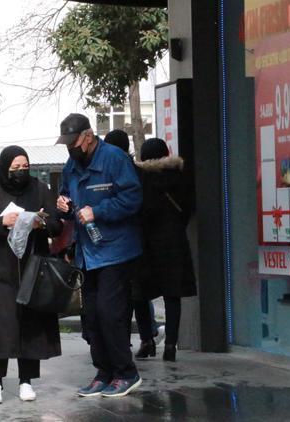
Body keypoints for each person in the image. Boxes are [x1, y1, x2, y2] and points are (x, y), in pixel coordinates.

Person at [55, 113, 143, 398]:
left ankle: (125, 373)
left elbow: (132, 198)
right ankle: (103, 372)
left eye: (74, 143)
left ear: (88, 137)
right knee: (91, 316)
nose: (71, 149)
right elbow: (66, 193)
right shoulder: (72, 164)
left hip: (115, 250)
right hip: (87, 252)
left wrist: (99, 211)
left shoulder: (115, 159)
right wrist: (64, 204)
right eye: (67, 144)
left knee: (110, 313)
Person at [0, 146, 63, 405]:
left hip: (33, 269)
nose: (21, 172)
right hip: (1, 270)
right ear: (4, 168)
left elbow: (56, 223)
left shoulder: (40, 188)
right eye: (15, 168)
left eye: (25, 167)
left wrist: (40, 223)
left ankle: (26, 380)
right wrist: (3, 223)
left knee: (30, 326)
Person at [132, 138, 197, 362]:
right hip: (173, 241)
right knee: (172, 294)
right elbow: (188, 208)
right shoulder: (180, 176)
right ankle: (170, 345)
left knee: (139, 293)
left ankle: (147, 341)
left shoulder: (140, 178)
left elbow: (137, 209)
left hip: (145, 242)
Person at [104, 130, 162, 347]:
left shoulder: (109, 171)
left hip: (118, 241)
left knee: (121, 296)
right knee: (139, 293)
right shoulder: (139, 171)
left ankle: (122, 341)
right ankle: (147, 337)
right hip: (139, 239)